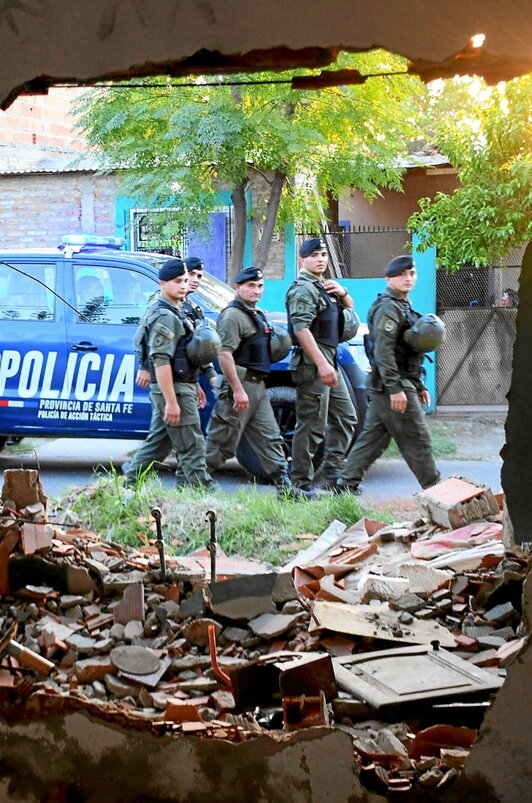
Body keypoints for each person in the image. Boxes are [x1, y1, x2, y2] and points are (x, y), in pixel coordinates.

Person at [336, 255, 441, 493]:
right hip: (392, 385)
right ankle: (435, 491)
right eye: (401, 274)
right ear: (388, 279)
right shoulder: (388, 307)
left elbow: (407, 353)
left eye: (411, 273)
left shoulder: (402, 305)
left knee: (373, 440)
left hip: (396, 383)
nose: (408, 278)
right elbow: (383, 352)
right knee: (417, 439)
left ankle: (344, 485)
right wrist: (396, 388)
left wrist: (419, 385)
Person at [205, 266, 298, 494]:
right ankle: (195, 481)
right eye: (251, 286)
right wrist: (237, 390)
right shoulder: (233, 315)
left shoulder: (256, 314)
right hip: (241, 386)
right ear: (238, 287)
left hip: (258, 387)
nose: (256, 291)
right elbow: (224, 355)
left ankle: (285, 486)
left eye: (259, 286)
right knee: (221, 441)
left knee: (270, 437)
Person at [123, 256, 216, 484]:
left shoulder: (179, 310)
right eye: (178, 281)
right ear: (163, 283)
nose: (184, 285)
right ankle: (201, 491)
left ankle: (129, 484)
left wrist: (195, 385)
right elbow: (161, 361)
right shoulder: (164, 315)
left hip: (182, 384)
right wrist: (172, 402)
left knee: (159, 443)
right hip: (172, 387)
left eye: (186, 280)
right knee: (192, 444)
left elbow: (184, 355)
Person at [285, 237, 357, 491]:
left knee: (347, 417)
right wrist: (322, 365)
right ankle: (299, 484)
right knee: (312, 424)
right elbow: (301, 328)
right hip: (314, 362)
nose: (321, 259)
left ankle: (332, 475)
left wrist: (344, 294)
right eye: (314, 255)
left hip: (329, 357)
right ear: (302, 260)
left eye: (324, 255)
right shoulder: (303, 289)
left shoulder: (323, 287)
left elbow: (347, 317)